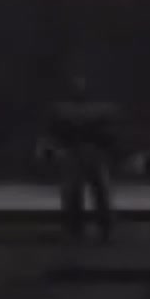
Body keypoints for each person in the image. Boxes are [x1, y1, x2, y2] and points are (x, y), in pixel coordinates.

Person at [42, 73, 121, 242]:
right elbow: (53, 131)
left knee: (100, 192)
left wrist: (108, 147)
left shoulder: (101, 108)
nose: (79, 87)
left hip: (94, 152)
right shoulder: (61, 109)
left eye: (81, 84)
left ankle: (105, 229)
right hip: (73, 152)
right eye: (76, 84)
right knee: (72, 193)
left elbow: (111, 132)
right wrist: (53, 148)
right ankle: (75, 229)